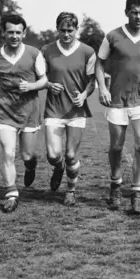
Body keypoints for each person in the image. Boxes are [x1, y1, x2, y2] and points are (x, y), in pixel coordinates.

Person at [95, 0, 140, 214]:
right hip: (116, 100)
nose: (138, 16)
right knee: (116, 147)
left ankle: (136, 192)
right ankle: (115, 185)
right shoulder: (113, 36)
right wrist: (103, 88)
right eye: (134, 12)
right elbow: (99, 63)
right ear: (126, 12)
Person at [0, 14, 47, 213]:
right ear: (4, 32)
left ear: (24, 33)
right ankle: (11, 193)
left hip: (29, 110)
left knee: (27, 155)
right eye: (10, 32)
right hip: (5, 110)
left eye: (18, 32)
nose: (14, 36)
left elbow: (44, 80)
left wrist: (31, 86)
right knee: (8, 152)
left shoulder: (34, 53)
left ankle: (30, 165)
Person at [40, 12, 97, 206]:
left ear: (76, 29)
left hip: (76, 112)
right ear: (57, 29)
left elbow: (92, 81)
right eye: (62, 30)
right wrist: (48, 85)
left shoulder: (88, 52)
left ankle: (71, 190)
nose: (66, 34)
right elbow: (39, 77)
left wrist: (84, 95)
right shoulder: (46, 50)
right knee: (53, 155)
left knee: (72, 154)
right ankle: (59, 167)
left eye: (70, 30)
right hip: (53, 110)